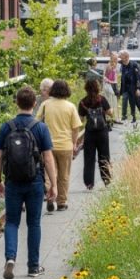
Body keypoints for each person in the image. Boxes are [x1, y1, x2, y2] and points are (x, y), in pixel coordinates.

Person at [0, 85, 57, 279]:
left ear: (16, 103)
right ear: (34, 104)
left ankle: (10, 258)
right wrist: (53, 184)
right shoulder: (40, 127)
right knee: (33, 223)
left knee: (12, 221)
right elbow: (48, 158)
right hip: (35, 181)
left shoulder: (7, 127)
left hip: (12, 181)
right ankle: (33, 266)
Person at [36, 79, 83, 212]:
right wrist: (74, 143)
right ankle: (61, 202)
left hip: (48, 146)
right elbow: (75, 128)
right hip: (65, 146)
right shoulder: (70, 107)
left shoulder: (45, 105)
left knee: (49, 175)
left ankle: (50, 199)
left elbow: (37, 122)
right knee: (64, 175)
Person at [78, 78, 113, 190]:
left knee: (89, 158)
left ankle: (89, 183)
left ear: (86, 88)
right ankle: (106, 179)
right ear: (98, 88)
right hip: (102, 132)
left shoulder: (83, 102)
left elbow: (81, 120)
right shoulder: (102, 99)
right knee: (104, 156)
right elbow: (110, 113)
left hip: (90, 133)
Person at [119, 51, 140, 126]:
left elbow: (138, 78)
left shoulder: (134, 65)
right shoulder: (123, 65)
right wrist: (121, 91)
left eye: (121, 56)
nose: (120, 57)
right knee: (131, 102)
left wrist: (138, 88)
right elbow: (122, 78)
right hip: (126, 87)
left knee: (137, 102)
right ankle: (133, 118)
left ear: (126, 57)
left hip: (134, 87)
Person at [104, 52, 120, 121]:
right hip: (110, 85)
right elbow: (105, 76)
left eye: (117, 58)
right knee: (110, 101)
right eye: (116, 58)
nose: (117, 60)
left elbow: (116, 77)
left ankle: (115, 117)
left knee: (115, 102)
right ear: (112, 58)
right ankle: (110, 118)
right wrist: (110, 82)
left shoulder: (115, 65)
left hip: (114, 84)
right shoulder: (109, 66)